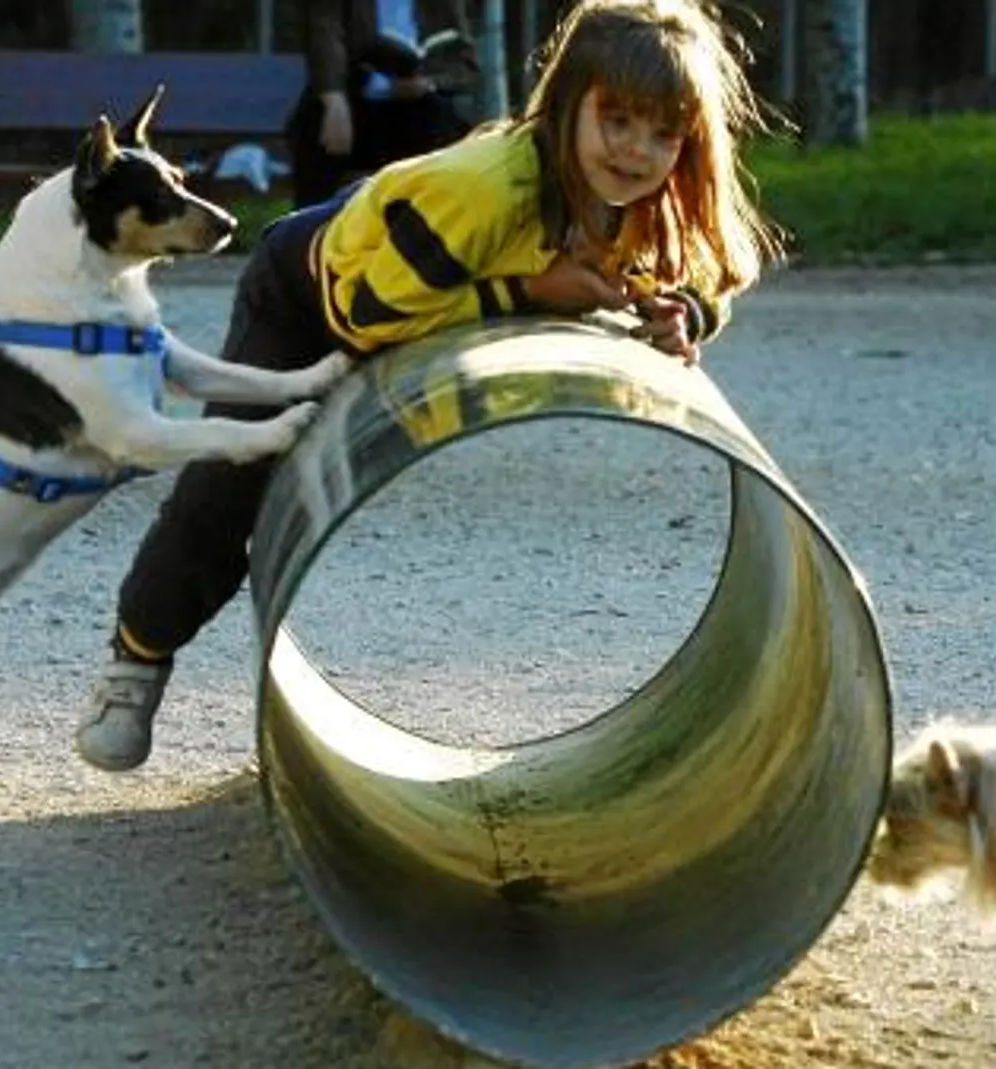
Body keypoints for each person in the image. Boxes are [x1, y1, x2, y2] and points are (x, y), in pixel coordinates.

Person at [76, 0, 787, 772]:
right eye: (617, 119)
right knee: (230, 485)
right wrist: (531, 292)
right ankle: (135, 660)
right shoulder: (489, 188)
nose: (638, 150)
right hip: (313, 290)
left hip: (419, 274)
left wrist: (682, 311)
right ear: (565, 101)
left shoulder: (652, 194)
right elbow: (364, 312)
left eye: (663, 131)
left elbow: (721, 267)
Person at [283, 0, 480, 210]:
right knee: (317, 126)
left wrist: (429, 83)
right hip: (354, 98)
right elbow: (324, 36)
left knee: (440, 124)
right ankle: (307, 231)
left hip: (416, 105)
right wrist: (334, 100)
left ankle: (430, 229)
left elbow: (464, 66)